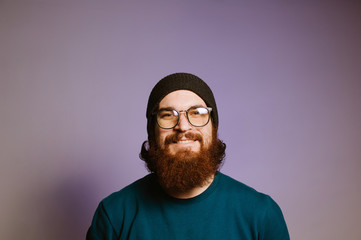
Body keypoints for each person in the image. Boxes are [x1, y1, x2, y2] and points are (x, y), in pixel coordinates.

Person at [86, 73, 290, 240]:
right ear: (152, 132)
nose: (183, 126)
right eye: (167, 115)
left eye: (197, 113)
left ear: (214, 128)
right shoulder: (114, 215)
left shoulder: (260, 214)